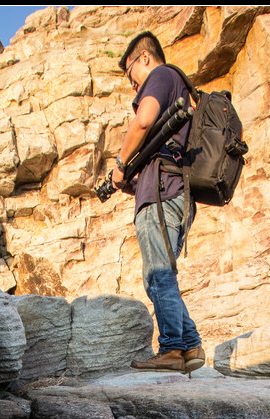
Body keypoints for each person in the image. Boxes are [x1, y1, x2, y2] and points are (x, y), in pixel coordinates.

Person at [112, 31, 206, 375]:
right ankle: (190, 344)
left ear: (144, 58)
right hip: (173, 191)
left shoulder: (162, 76)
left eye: (130, 74)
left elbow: (145, 119)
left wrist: (120, 162)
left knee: (158, 274)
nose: (133, 86)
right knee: (162, 274)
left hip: (164, 193)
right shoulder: (177, 85)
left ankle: (171, 349)